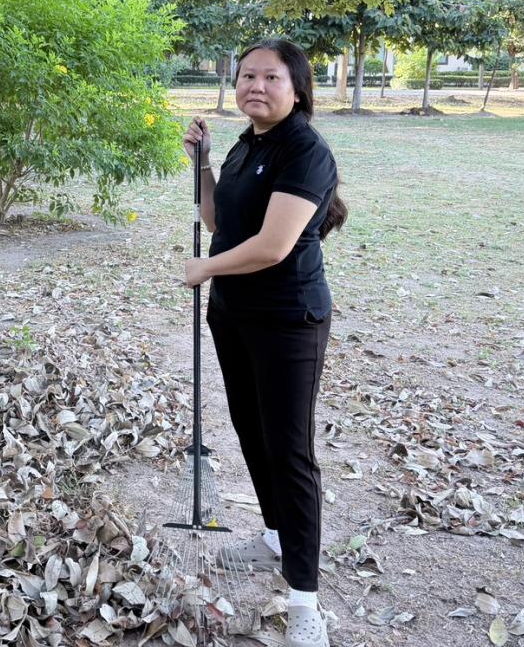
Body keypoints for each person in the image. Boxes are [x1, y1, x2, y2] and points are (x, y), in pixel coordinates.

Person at [181, 38, 347, 647]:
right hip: (234, 314)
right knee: (251, 430)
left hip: (287, 320)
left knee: (290, 453)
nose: (255, 85)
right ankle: (276, 536)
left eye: (270, 77)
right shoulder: (246, 144)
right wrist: (202, 164)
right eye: (246, 75)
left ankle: (305, 601)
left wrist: (206, 268)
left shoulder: (305, 151)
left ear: (297, 90)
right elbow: (219, 223)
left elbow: (274, 247)